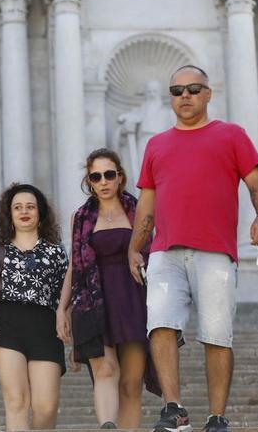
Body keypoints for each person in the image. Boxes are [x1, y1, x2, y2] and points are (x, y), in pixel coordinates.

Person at [127, 65, 258, 432]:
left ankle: (217, 416)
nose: (185, 96)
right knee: (159, 323)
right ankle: (174, 409)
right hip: (164, 251)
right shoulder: (156, 144)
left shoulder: (231, 135)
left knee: (216, 333)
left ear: (208, 94)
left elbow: (256, 181)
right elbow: (147, 204)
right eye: (177, 91)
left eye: (193, 89)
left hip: (215, 251)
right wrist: (135, 247)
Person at [57, 148, 160, 429]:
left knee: (130, 383)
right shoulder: (81, 217)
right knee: (104, 369)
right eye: (96, 176)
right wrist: (61, 308)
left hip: (134, 298)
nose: (103, 181)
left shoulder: (140, 212)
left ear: (120, 177)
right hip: (92, 300)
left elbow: (156, 255)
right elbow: (74, 265)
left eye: (109, 175)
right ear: (89, 181)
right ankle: (107, 425)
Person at [0, 183, 69, 431]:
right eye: (17, 207)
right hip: (8, 328)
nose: (24, 212)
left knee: (46, 407)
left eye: (30, 207)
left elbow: (64, 298)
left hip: (45, 329)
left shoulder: (56, 252)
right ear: (10, 214)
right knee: (16, 402)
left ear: (40, 213)